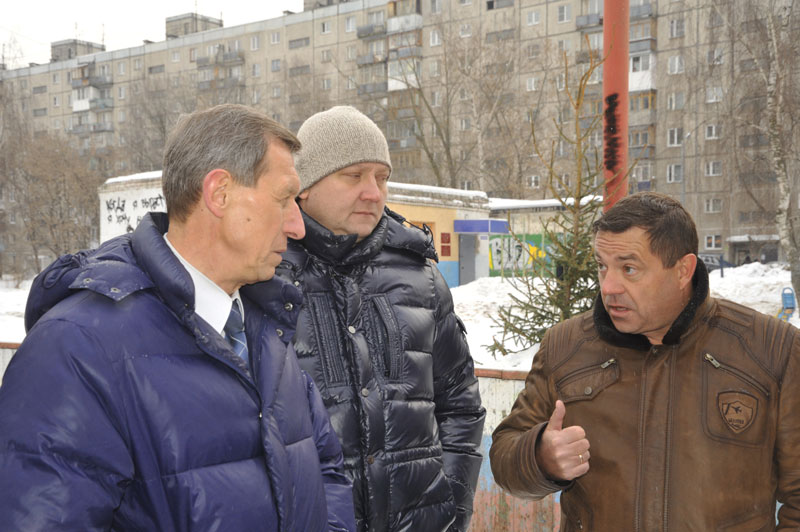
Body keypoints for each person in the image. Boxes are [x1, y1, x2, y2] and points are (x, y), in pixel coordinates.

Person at [0, 104, 356, 531]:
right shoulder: (76, 348)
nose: (297, 227)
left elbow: (326, 470)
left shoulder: (267, 325)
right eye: (283, 200)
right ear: (219, 193)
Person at [490, 192, 800, 530]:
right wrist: (540, 457)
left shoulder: (771, 350)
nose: (609, 286)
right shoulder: (565, 346)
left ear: (683, 270)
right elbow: (505, 456)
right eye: (602, 266)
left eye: (629, 268)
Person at [274, 106, 485, 531]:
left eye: (381, 177)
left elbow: (460, 405)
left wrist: (452, 510)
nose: (373, 192)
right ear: (305, 187)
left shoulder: (422, 277)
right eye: (353, 176)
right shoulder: (266, 275)